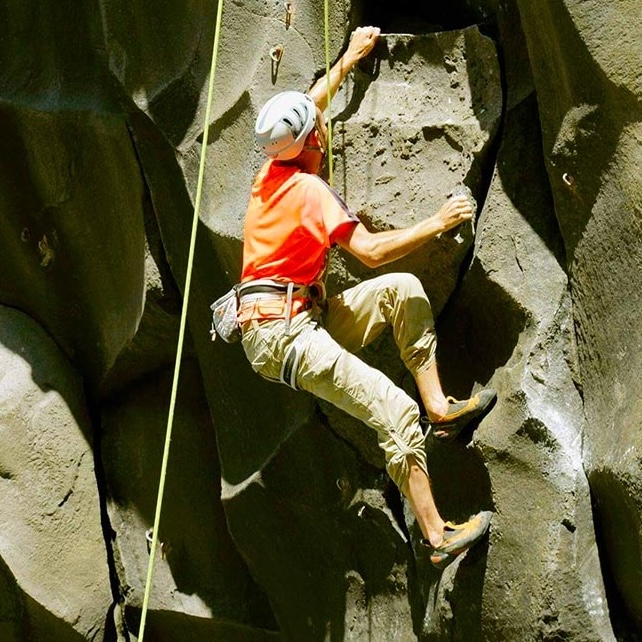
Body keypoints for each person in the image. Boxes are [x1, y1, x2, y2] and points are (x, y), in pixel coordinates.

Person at [238, 26, 496, 568]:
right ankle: (437, 537)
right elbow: (372, 252)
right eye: (319, 131)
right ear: (312, 143)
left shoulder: (271, 169)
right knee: (391, 409)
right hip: (285, 332)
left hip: (297, 316)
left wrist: (351, 56)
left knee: (404, 292)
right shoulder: (308, 191)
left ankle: (440, 409)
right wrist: (437, 222)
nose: (323, 130)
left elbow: (311, 100)